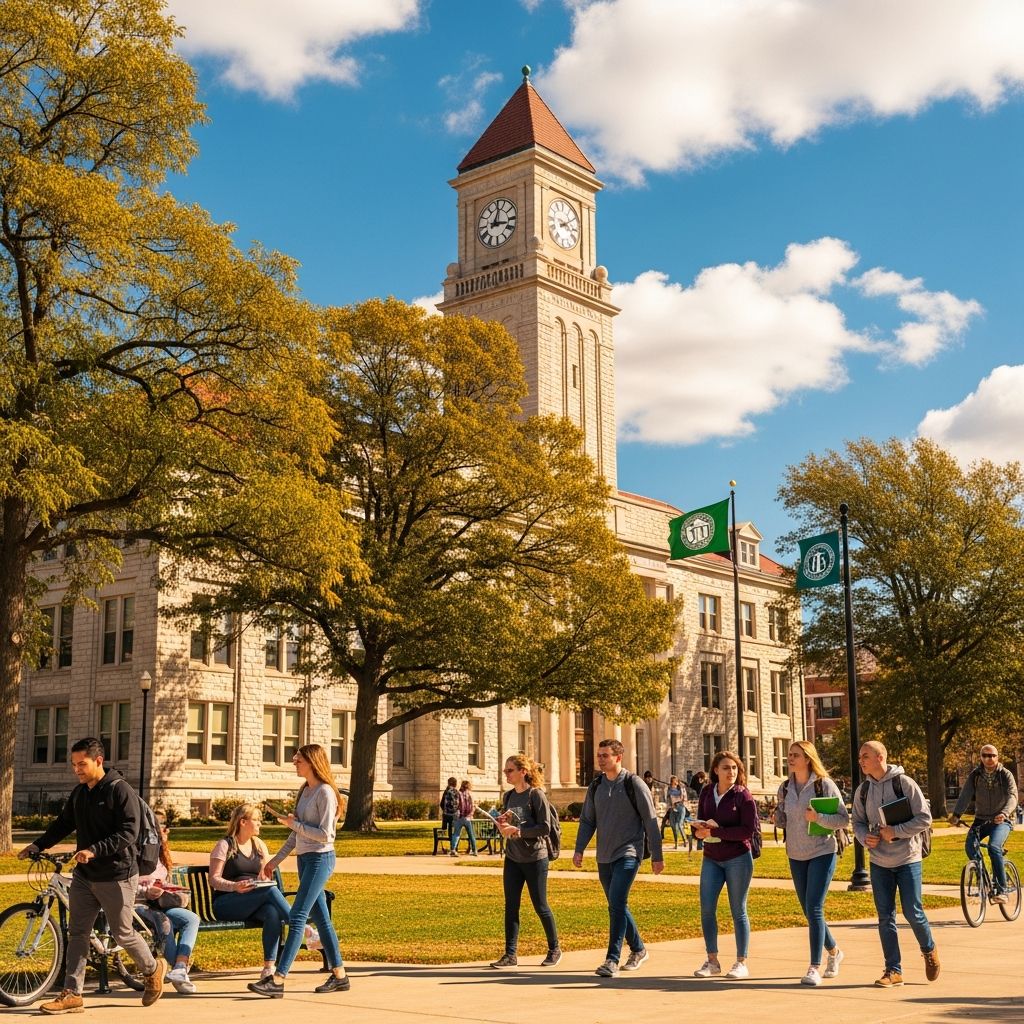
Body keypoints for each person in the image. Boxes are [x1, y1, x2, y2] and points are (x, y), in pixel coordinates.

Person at [18, 736, 167, 1013]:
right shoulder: (80, 793)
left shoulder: (120, 791)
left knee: (122, 933)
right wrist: (38, 844)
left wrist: (94, 850)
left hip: (117, 874)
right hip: (85, 876)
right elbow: (63, 824)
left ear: (99, 761)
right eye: (74, 764)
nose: (77, 769)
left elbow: (128, 833)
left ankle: (152, 967)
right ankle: (72, 994)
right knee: (78, 933)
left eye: (82, 764)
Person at [249, 744, 349, 997]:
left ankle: (278, 980)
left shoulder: (325, 793)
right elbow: (297, 834)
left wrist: (296, 824)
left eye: (298, 760)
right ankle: (340, 976)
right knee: (323, 921)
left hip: (320, 860)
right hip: (304, 860)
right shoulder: (305, 790)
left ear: (312, 762)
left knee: (297, 917)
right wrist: (274, 861)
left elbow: (325, 835)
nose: (294, 763)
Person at [572, 738, 664, 978]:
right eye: (599, 755)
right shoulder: (596, 786)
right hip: (604, 856)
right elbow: (588, 820)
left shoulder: (635, 784)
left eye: (605, 755)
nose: (601, 759)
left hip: (629, 853)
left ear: (618, 757)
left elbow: (651, 821)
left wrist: (657, 855)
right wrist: (579, 848)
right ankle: (639, 949)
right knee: (617, 905)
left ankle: (612, 959)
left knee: (617, 903)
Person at [852, 740, 939, 988]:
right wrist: (863, 836)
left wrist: (896, 831)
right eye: (860, 756)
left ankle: (929, 949)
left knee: (913, 911)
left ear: (880, 758)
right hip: (879, 861)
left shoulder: (905, 783)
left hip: (907, 859)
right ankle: (893, 970)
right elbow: (857, 821)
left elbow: (925, 818)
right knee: (885, 916)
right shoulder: (863, 790)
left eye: (865, 756)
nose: (861, 760)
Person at [773, 741, 849, 986]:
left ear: (807, 758)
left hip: (821, 851)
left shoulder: (823, 784)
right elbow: (785, 821)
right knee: (808, 910)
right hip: (795, 853)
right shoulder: (785, 788)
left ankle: (814, 967)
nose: (790, 759)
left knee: (814, 907)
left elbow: (842, 819)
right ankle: (835, 952)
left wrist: (819, 817)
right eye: (789, 755)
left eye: (795, 755)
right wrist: (778, 817)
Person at [490, 755, 562, 968]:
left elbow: (544, 827)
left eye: (510, 770)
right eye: (505, 770)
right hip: (513, 857)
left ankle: (554, 948)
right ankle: (510, 954)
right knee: (511, 906)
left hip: (535, 858)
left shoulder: (535, 795)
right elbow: (512, 821)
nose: (506, 774)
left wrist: (519, 831)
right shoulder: (509, 796)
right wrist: (503, 824)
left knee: (540, 905)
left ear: (523, 771)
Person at [692, 750, 758, 980]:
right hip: (711, 857)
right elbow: (700, 818)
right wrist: (698, 830)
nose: (731, 772)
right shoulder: (707, 792)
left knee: (738, 910)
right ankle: (712, 961)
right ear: (715, 771)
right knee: (707, 909)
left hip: (738, 858)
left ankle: (741, 962)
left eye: (734, 768)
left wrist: (716, 831)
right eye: (726, 768)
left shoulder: (743, 796)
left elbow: (747, 831)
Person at [210, 803, 293, 982]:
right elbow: (213, 879)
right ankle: (301, 926)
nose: (259, 824)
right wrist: (234, 886)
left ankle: (268, 968)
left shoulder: (259, 845)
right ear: (243, 822)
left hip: (253, 900)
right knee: (270, 890)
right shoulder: (225, 845)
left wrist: (261, 881)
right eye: (256, 820)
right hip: (226, 903)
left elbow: (264, 878)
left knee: (272, 912)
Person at [136, 809, 201, 994]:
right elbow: (128, 885)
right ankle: (179, 971)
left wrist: (169, 888)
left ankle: (179, 968)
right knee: (164, 922)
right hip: (140, 904)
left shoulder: (161, 854)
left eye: (166, 826)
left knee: (191, 919)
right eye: (163, 827)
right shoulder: (139, 854)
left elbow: (159, 881)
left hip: (162, 902)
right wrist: (148, 891)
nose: (167, 831)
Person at [949, 744, 1018, 904]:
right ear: (981, 757)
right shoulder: (975, 775)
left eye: (993, 755)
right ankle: (983, 877)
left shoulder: (1005, 775)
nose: (990, 758)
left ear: (997, 756)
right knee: (970, 846)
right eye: (986, 755)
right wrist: (957, 815)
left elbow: (1013, 796)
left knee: (994, 847)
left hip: (1002, 820)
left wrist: (1004, 813)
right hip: (981, 820)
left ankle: (1002, 890)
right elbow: (965, 795)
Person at [450, 779, 478, 857]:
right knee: (471, 834)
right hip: (468, 818)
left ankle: (453, 850)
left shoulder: (458, 793)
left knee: (456, 834)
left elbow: (455, 805)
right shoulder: (471, 795)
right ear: (469, 786)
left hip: (459, 817)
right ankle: (474, 850)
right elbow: (473, 806)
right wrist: (471, 815)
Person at [665, 775, 687, 850]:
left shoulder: (681, 788)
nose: (675, 782)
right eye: (673, 780)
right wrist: (669, 808)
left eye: (676, 780)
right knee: (673, 826)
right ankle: (676, 843)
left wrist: (677, 800)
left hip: (680, 807)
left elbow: (684, 798)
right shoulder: (669, 789)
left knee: (679, 825)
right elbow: (668, 800)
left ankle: (685, 840)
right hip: (672, 808)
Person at [439, 777, 459, 852]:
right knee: (454, 831)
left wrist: (445, 810)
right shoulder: (456, 792)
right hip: (454, 815)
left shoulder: (446, 791)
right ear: (455, 783)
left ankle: (444, 846)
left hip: (446, 815)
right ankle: (453, 847)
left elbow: (441, 803)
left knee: (444, 829)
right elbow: (458, 804)